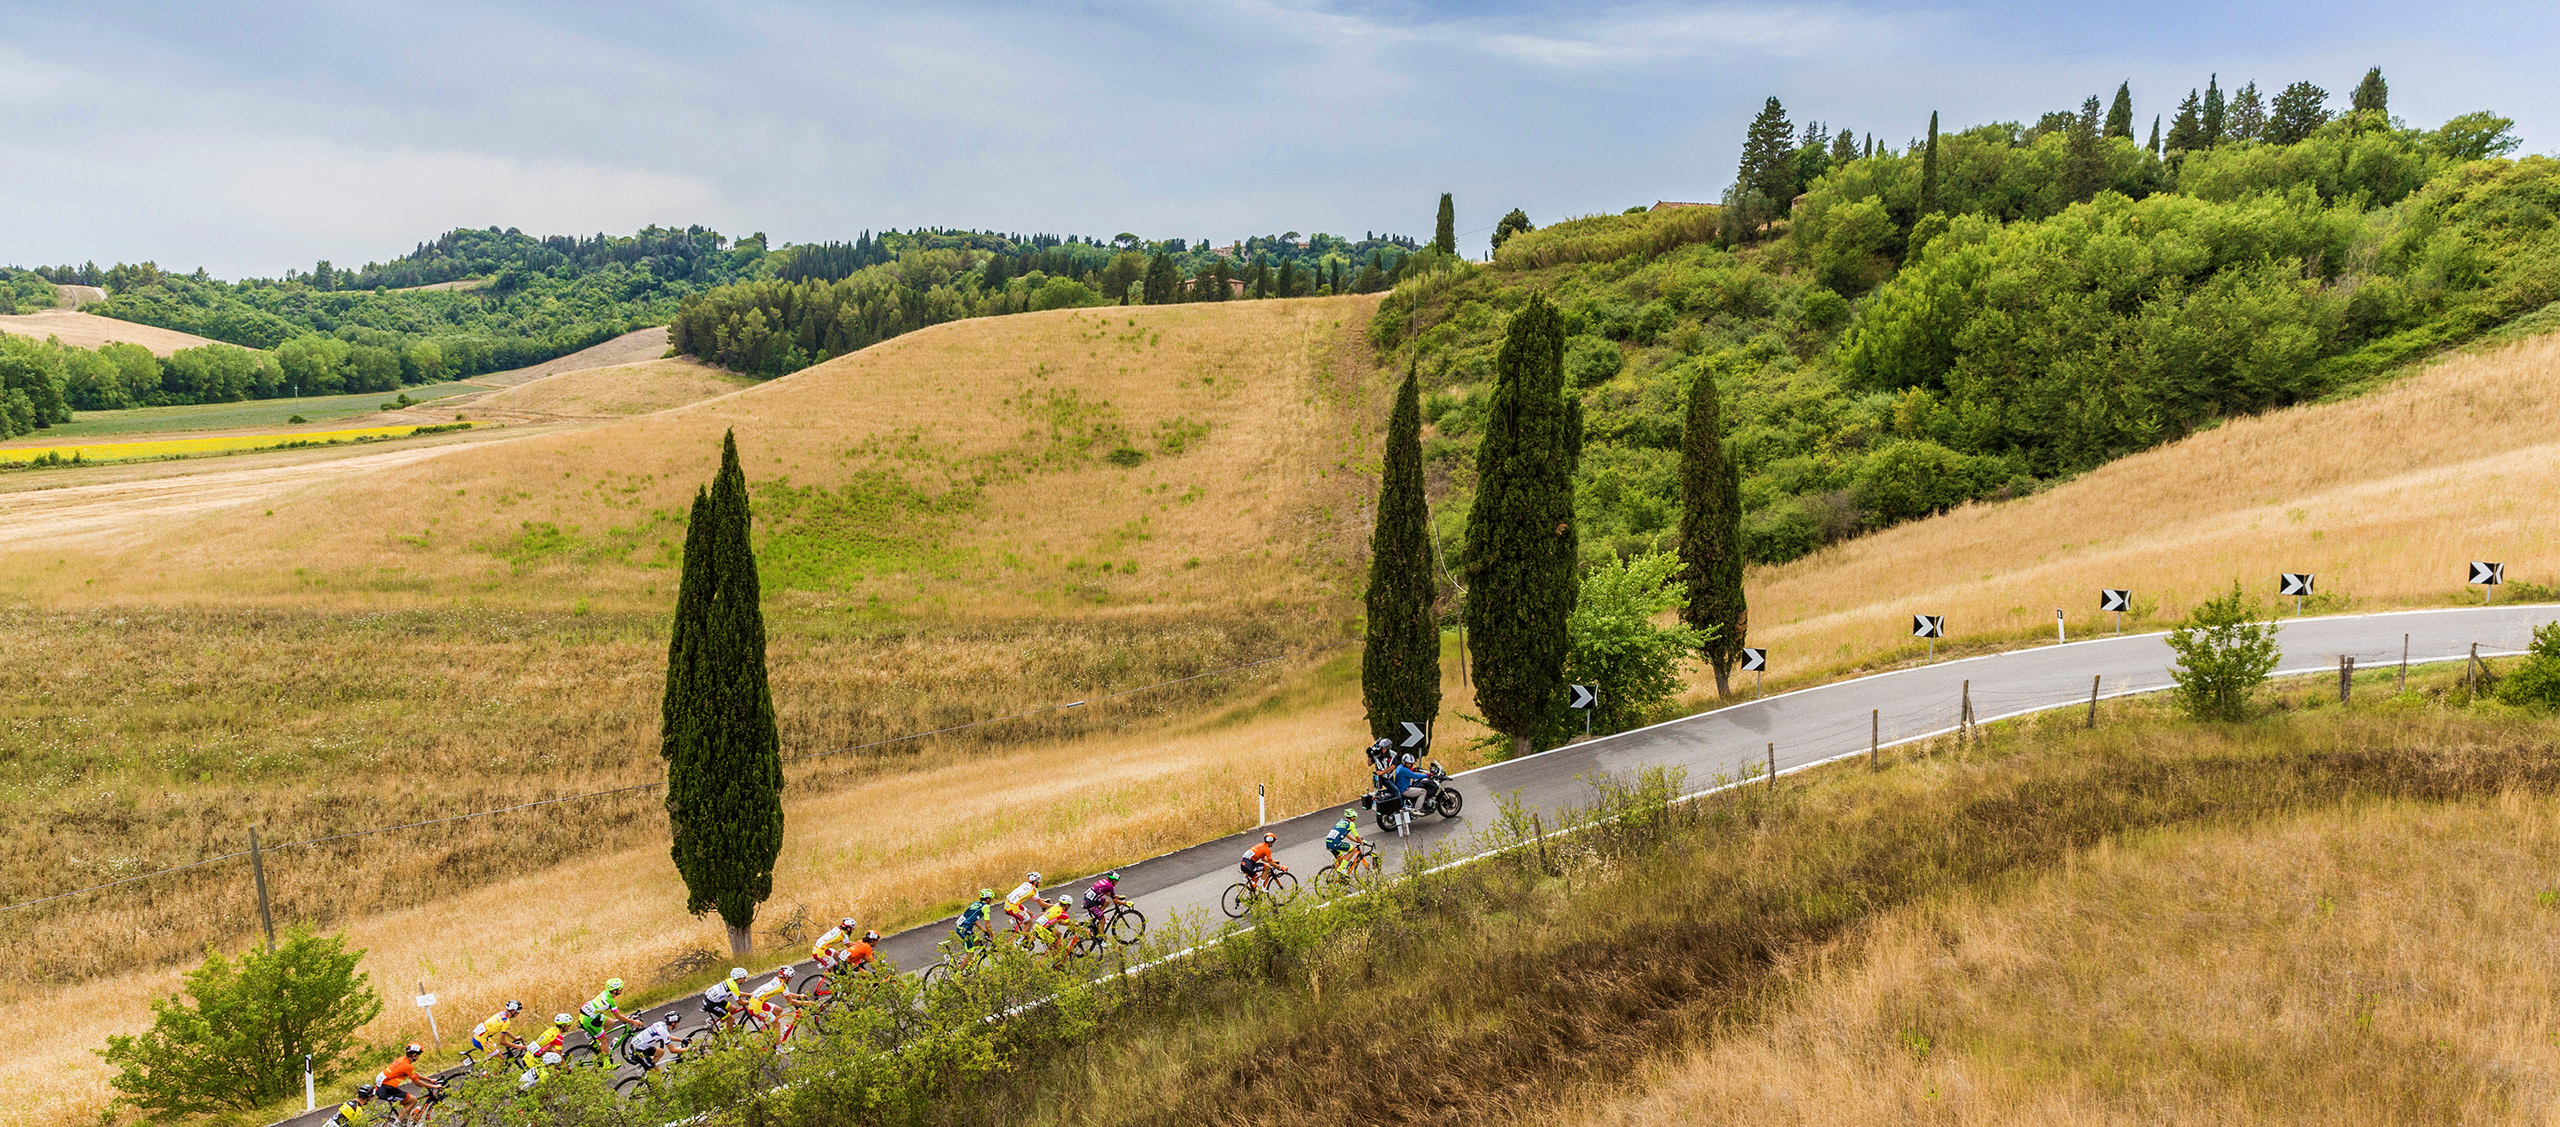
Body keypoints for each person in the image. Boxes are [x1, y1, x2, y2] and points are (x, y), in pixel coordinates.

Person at [372, 1043, 443, 1119]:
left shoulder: (402, 1059)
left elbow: (414, 1074)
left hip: (383, 1086)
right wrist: (434, 1086)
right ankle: (397, 1124)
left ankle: (405, 1121)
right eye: (418, 1055)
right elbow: (417, 1083)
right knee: (413, 1100)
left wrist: (429, 1080)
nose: (418, 1057)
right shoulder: (407, 1066)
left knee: (408, 1102)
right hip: (386, 1090)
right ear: (414, 1055)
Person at [576, 978, 643, 1046]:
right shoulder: (610, 1001)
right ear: (614, 991)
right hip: (588, 1020)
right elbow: (618, 1016)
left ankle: (598, 1040)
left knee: (610, 1022)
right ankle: (604, 1055)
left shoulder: (606, 992)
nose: (622, 990)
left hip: (590, 1015)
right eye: (620, 989)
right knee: (605, 1040)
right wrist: (633, 1021)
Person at [745, 965, 808, 1031]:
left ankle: (770, 1030)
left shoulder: (776, 979)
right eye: (791, 977)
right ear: (786, 977)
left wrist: (798, 996)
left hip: (755, 1001)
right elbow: (791, 1002)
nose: (791, 979)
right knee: (776, 1023)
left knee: (778, 1010)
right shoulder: (783, 986)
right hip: (756, 1008)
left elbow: (785, 994)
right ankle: (777, 1040)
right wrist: (807, 1003)